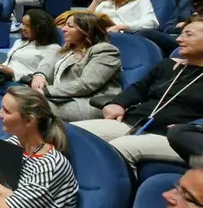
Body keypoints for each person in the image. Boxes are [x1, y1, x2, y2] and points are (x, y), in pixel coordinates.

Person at [74, 18, 203, 166]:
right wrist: (119, 103)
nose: (179, 39)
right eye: (181, 34)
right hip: (136, 122)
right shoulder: (168, 65)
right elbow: (140, 88)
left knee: (118, 147)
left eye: (189, 35)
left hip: (174, 137)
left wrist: (191, 128)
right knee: (68, 133)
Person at [30, 12, 122, 121]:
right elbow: (48, 62)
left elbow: (86, 84)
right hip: (61, 97)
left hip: (86, 102)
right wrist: (40, 75)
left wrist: (47, 91)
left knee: (30, 106)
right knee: (19, 97)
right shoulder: (69, 47)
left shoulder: (104, 50)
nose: (63, 29)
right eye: (65, 25)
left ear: (86, 30)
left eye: (70, 26)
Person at [0, 9, 60, 95]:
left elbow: (42, 75)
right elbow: (9, 63)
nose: (23, 28)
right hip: (3, 77)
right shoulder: (19, 42)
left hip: (23, 84)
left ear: (40, 28)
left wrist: (12, 72)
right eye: (22, 24)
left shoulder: (52, 49)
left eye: (27, 25)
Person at [139, 0, 203, 56]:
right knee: (143, 34)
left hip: (195, 40)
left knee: (145, 33)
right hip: (177, 37)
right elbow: (169, 27)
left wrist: (183, 25)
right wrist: (184, 25)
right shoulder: (187, 1)